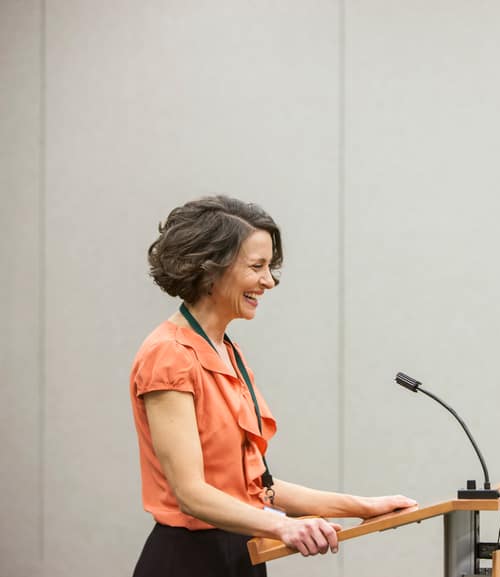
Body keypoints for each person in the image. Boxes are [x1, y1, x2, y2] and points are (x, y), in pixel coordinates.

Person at [130, 196, 415, 577]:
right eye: (257, 267)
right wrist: (283, 525)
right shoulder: (168, 355)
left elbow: (255, 489)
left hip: (241, 551)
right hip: (189, 561)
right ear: (210, 269)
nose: (269, 281)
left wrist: (363, 507)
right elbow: (190, 493)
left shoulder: (227, 351)